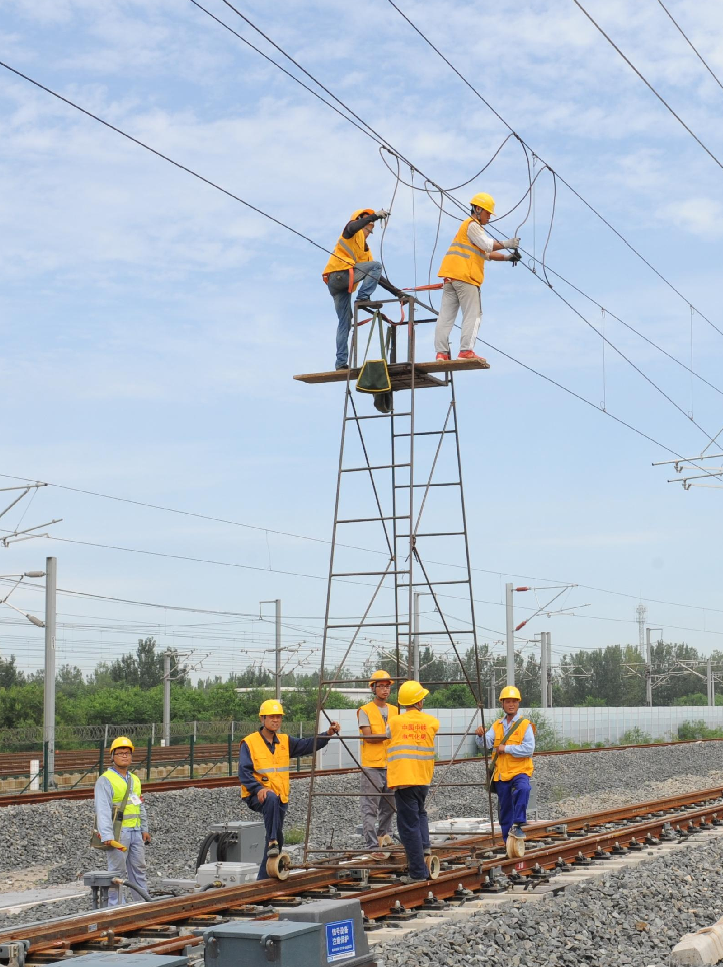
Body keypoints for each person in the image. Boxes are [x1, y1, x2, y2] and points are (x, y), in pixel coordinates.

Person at [239, 699, 340, 878]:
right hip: (257, 795)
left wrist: (328, 734)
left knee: (278, 836)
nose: (276, 720)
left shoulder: (285, 741)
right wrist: (257, 788)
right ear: (262, 719)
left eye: (278, 717)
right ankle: (271, 842)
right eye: (272, 717)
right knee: (272, 825)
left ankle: (264, 877)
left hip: (280, 796)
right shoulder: (250, 742)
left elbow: (308, 744)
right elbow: (243, 771)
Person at [434, 192, 521, 362]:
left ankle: (441, 353)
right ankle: (466, 351)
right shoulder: (473, 225)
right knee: (473, 314)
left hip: (451, 278)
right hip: (466, 278)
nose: (489, 217)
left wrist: (507, 257)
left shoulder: (469, 230)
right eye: (488, 213)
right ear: (478, 209)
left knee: (445, 317)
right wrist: (508, 244)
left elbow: (486, 254)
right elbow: (487, 245)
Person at [323, 208, 404, 371]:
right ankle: (362, 298)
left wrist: (397, 292)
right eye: (368, 224)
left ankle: (340, 364)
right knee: (376, 266)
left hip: (342, 285)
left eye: (371, 227)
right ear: (360, 220)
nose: (369, 228)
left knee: (344, 323)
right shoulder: (351, 230)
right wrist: (374, 216)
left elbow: (376, 275)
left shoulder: (365, 251)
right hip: (339, 274)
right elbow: (353, 228)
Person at [385, 680, 439, 883]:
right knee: (421, 813)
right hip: (423, 778)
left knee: (408, 826)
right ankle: (425, 847)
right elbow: (432, 729)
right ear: (419, 702)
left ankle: (417, 873)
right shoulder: (431, 721)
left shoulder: (395, 722)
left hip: (404, 779)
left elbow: (387, 734)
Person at [93, 736, 151, 906]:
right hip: (118, 833)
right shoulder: (106, 780)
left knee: (139, 869)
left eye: (127, 753)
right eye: (120, 753)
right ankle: (117, 906)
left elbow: (139, 805)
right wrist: (107, 835)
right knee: (117, 873)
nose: (125, 756)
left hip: (135, 830)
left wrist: (144, 828)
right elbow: (102, 809)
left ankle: (141, 904)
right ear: (113, 756)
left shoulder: (135, 779)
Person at [475, 685, 535, 846]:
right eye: (508, 701)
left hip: (520, 771)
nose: (511, 704)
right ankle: (508, 843)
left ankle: (518, 823)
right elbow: (486, 744)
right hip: (501, 774)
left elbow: (529, 749)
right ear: (502, 704)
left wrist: (506, 748)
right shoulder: (497, 725)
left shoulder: (525, 725)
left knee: (524, 789)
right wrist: (480, 735)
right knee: (505, 810)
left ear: (518, 704)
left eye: (514, 702)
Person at [357, 670, 398, 857]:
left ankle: (384, 836)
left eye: (387, 686)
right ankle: (371, 845)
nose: (385, 689)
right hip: (372, 766)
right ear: (373, 688)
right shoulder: (365, 710)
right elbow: (368, 737)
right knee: (370, 808)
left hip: (390, 765)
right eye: (381, 686)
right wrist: (387, 735)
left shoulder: (395, 710)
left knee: (389, 806)